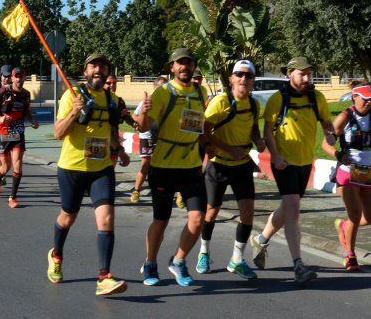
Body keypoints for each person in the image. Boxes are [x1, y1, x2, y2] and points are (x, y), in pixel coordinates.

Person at [46, 53, 130, 296]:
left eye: (103, 66)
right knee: (68, 217)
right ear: (85, 71)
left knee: (106, 219)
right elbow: (58, 133)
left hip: (101, 170)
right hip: (72, 169)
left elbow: (108, 130)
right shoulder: (72, 96)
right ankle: (56, 255)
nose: (98, 70)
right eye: (94, 66)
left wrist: (119, 150)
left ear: (107, 73)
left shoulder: (112, 100)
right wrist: (74, 112)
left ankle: (104, 277)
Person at [249, 56, 335, 284]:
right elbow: (268, 131)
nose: (307, 78)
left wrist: (330, 133)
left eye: (309, 73)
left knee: (287, 208)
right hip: (284, 163)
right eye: (301, 74)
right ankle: (298, 264)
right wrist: (275, 156)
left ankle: (260, 240)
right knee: (294, 210)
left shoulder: (316, 98)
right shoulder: (278, 99)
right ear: (289, 74)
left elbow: (326, 122)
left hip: (306, 162)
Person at [133, 48, 208, 287]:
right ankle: (150, 262)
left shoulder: (201, 91)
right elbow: (143, 127)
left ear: (194, 66)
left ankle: (178, 260)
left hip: (191, 165)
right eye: (180, 63)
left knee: (198, 218)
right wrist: (144, 112)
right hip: (164, 166)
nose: (185, 66)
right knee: (161, 220)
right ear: (172, 68)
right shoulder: (163, 92)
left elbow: (199, 126)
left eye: (189, 63)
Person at [197, 60, 263, 279]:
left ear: (253, 80)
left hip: (242, 165)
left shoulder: (254, 104)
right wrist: (228, 149)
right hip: (219, 164)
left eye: (248, 75)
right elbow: (204, 131)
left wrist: (258, 140)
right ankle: (203, 252)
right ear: (232, 78)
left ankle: (237, 259)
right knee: (211, 211)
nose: (244, 79)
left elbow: (254, 128)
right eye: (239, 74)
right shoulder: (220, 101)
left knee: (247, 214)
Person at [329, 82, 371, 271]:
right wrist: (339, 155)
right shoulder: (345, 117)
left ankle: (344, 226)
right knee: (355, 216)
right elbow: (326, 143)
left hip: (368, 171)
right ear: (354, 97)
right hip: (348, 171)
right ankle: (350, 255)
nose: (369, 102)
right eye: (365, 99)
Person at [0, 67, 40, 208]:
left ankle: (12, 197)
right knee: (6, 167)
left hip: (18, 130)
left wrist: (32, 121)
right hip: (3, 130)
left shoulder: (26, 94)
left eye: (22, 76)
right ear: (12, 78)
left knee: (18, 164)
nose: (19, 79)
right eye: (17, 76)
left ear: (25, 78)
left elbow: (27, 111)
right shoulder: (4, 91)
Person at [130, 75, 167, 203]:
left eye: (165, 87)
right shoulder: (147, 101)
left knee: (165, 168)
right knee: (145, 165)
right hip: (147, 137)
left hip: (163, 138)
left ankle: (176, 194)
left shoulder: (169, 101)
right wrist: (140, 123)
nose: (162, 89)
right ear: (154, 87)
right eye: (160, 87)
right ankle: (136, 191)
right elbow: (134, 116)